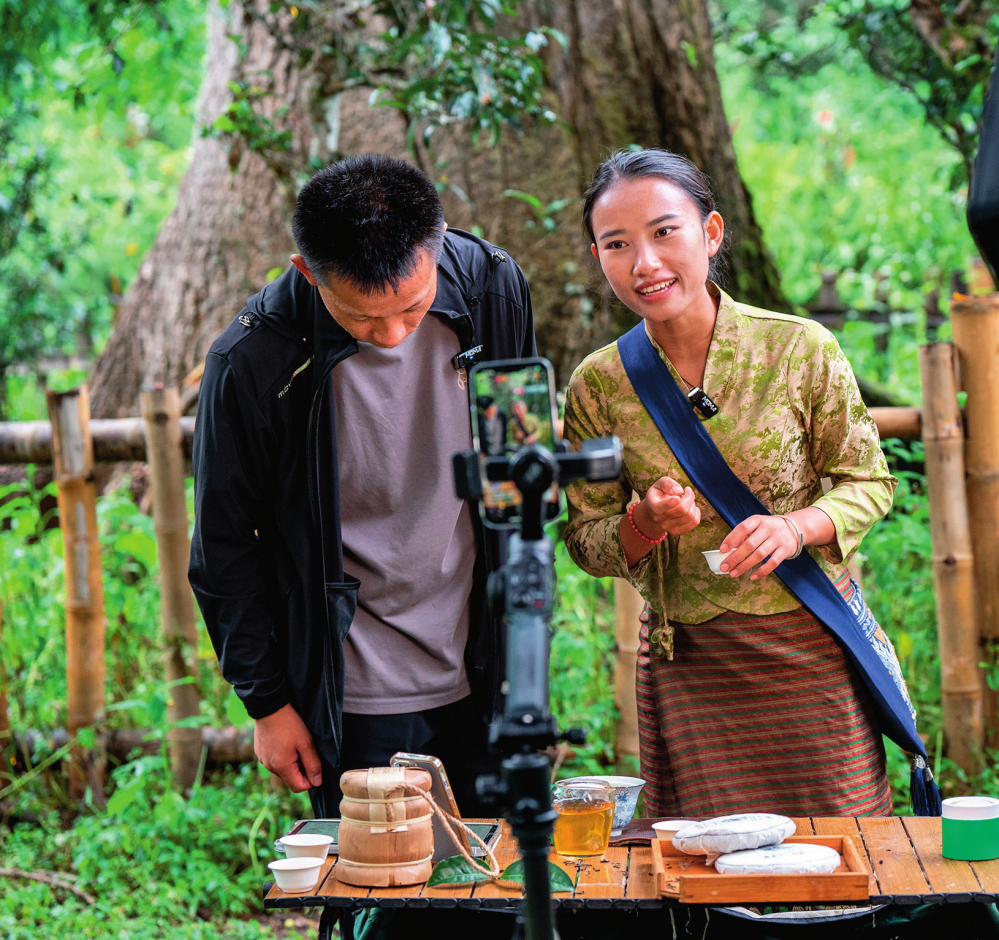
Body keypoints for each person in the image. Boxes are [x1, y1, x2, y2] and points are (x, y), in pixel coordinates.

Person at [189, 154, 536, 820]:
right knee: (379, 876)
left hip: (486, 663)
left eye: (412, 306)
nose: (393, 335)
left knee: (500, 873)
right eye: (362, 319)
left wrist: (524, 647)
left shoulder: (492, 288)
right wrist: (267, 703)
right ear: (306, 272)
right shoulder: (254, 360)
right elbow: (224, 545)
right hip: (352, 684)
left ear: (438, 245)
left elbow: (515, 465)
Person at [563, 148, 904, 818]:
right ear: (598, 256)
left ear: (711, 232)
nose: (645, 263)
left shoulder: (798, 349)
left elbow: (867, 481)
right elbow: (584, 541)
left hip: (809, 644)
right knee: (699, 859)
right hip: (690, 665)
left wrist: (793, 529)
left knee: (838, 846)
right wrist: (643, 523)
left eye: (665, 232)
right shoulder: (598, 384)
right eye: (618, 244)